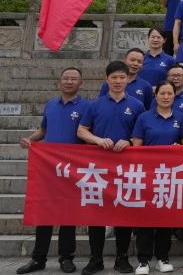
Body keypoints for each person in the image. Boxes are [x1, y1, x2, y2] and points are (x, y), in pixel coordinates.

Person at [17, 67, 89, 275]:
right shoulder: (50, 104)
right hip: (48, 168)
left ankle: (66, 258)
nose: (69, 82)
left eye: (74, 79)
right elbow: (43, 130)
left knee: (68, 215)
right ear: (59, 82)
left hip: (72, 169)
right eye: (66, 78)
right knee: (44, 214)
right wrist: (29, 139)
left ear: (81, 83)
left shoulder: (87, 106)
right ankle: (38, 259)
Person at [76, 60, 145, 275]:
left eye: (122, 77)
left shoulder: (137, 105)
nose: (118, 81)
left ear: (127, 80)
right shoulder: (94, 105)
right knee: (96, 213)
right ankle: (95, 259)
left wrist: (130, 142)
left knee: (123, 212)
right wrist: (97, 140)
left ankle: (122, 258)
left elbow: (142, 134)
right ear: (107, 80)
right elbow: (81, 131)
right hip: (98, 167)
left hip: (126, 167)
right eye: (114, 77)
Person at [131, 83, 182, 275]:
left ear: (174, 96)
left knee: (165, 220)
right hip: (147, 174)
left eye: (170, 93)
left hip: (171, 175)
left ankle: (163, 257)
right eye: (162, 93)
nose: (166, 97)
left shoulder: (180, 118)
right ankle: (143, 260)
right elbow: (136, 146)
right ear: (156, 95)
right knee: (144, 219)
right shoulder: (144, 117)